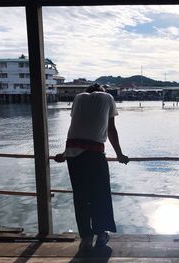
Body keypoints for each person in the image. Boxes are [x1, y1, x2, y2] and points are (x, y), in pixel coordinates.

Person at [55, 83, 129, 251]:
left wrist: (64, 154)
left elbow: (77, 127)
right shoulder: (108, 97)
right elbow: (111, 129)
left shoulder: (78, 98)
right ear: (102, 92)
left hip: (73, 154)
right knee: (100, 194)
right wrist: (119, 154)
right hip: (94, 153)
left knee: (81, 197)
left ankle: (86, 237)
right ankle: (101, 235)